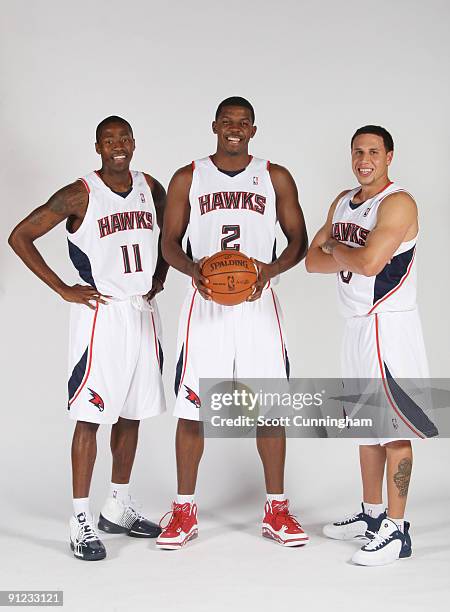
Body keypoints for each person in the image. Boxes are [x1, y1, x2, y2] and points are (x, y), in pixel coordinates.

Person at [8, 116, 168, 561]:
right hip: (101, 316)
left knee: (133, 413)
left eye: (125, 138)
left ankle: (117, 505)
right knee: (91, 416)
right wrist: (63, 288)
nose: (118, 146)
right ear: (97, 146)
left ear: (134, 142)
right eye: (109, 140)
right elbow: (19, 236)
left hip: (142, 312)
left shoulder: (149, 187)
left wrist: (159, 275)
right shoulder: (79, 193)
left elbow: (171, 234)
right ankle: (79, 519)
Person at [157, 96, 308, 549]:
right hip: (206, 304)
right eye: (227, 122)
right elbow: (169, 244)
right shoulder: (188, 176)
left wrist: (271, 270)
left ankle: (276, 510)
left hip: (259, 303)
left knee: (269, 407)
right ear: (214, 126)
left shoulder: (275, 176)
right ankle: (184, 512)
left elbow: (298, 240)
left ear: (254, 129)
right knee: (193, 408)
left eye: (243, 122)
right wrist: (193, 272)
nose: (235, 128)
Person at [305, 125, 438, 566]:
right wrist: (345, 252)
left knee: (395, 429)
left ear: (389, 157)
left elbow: (368, 262)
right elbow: (311, 261)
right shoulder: (343, 201)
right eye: (358, 151)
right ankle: (372, 514)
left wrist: (338, 247)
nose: (365, 159)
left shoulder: (398, 203)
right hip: (356, 327)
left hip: (389, 327)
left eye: (374, 152)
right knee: (365, 428)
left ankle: (398, 532)